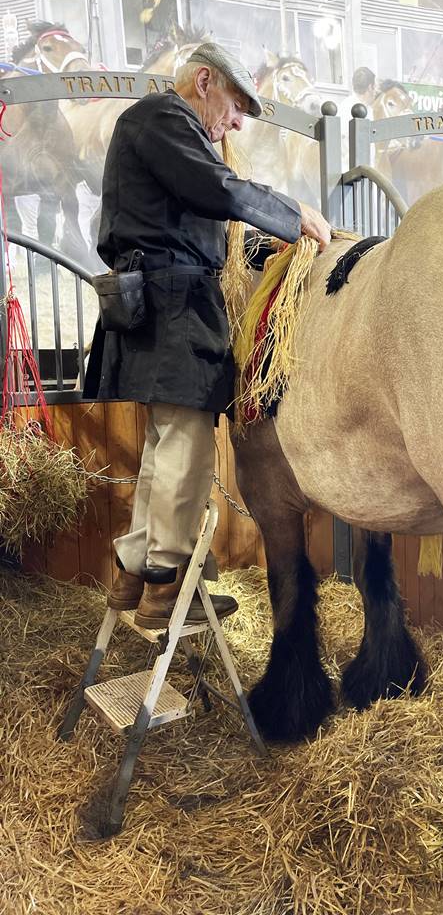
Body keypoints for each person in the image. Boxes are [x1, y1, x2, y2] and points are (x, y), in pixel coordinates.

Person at [83, 41, 331, 628]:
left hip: (165, 297)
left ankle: (135, 568)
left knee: (167, 442)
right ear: (203, 81)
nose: (238, 121)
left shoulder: (163, 132)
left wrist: (266, 243)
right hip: (173, 304)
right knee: (187, 444)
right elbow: (218, 191)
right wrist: (293, 214)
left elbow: (204, 220)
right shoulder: (163, 119)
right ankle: (166, 583)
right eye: (236, 104)